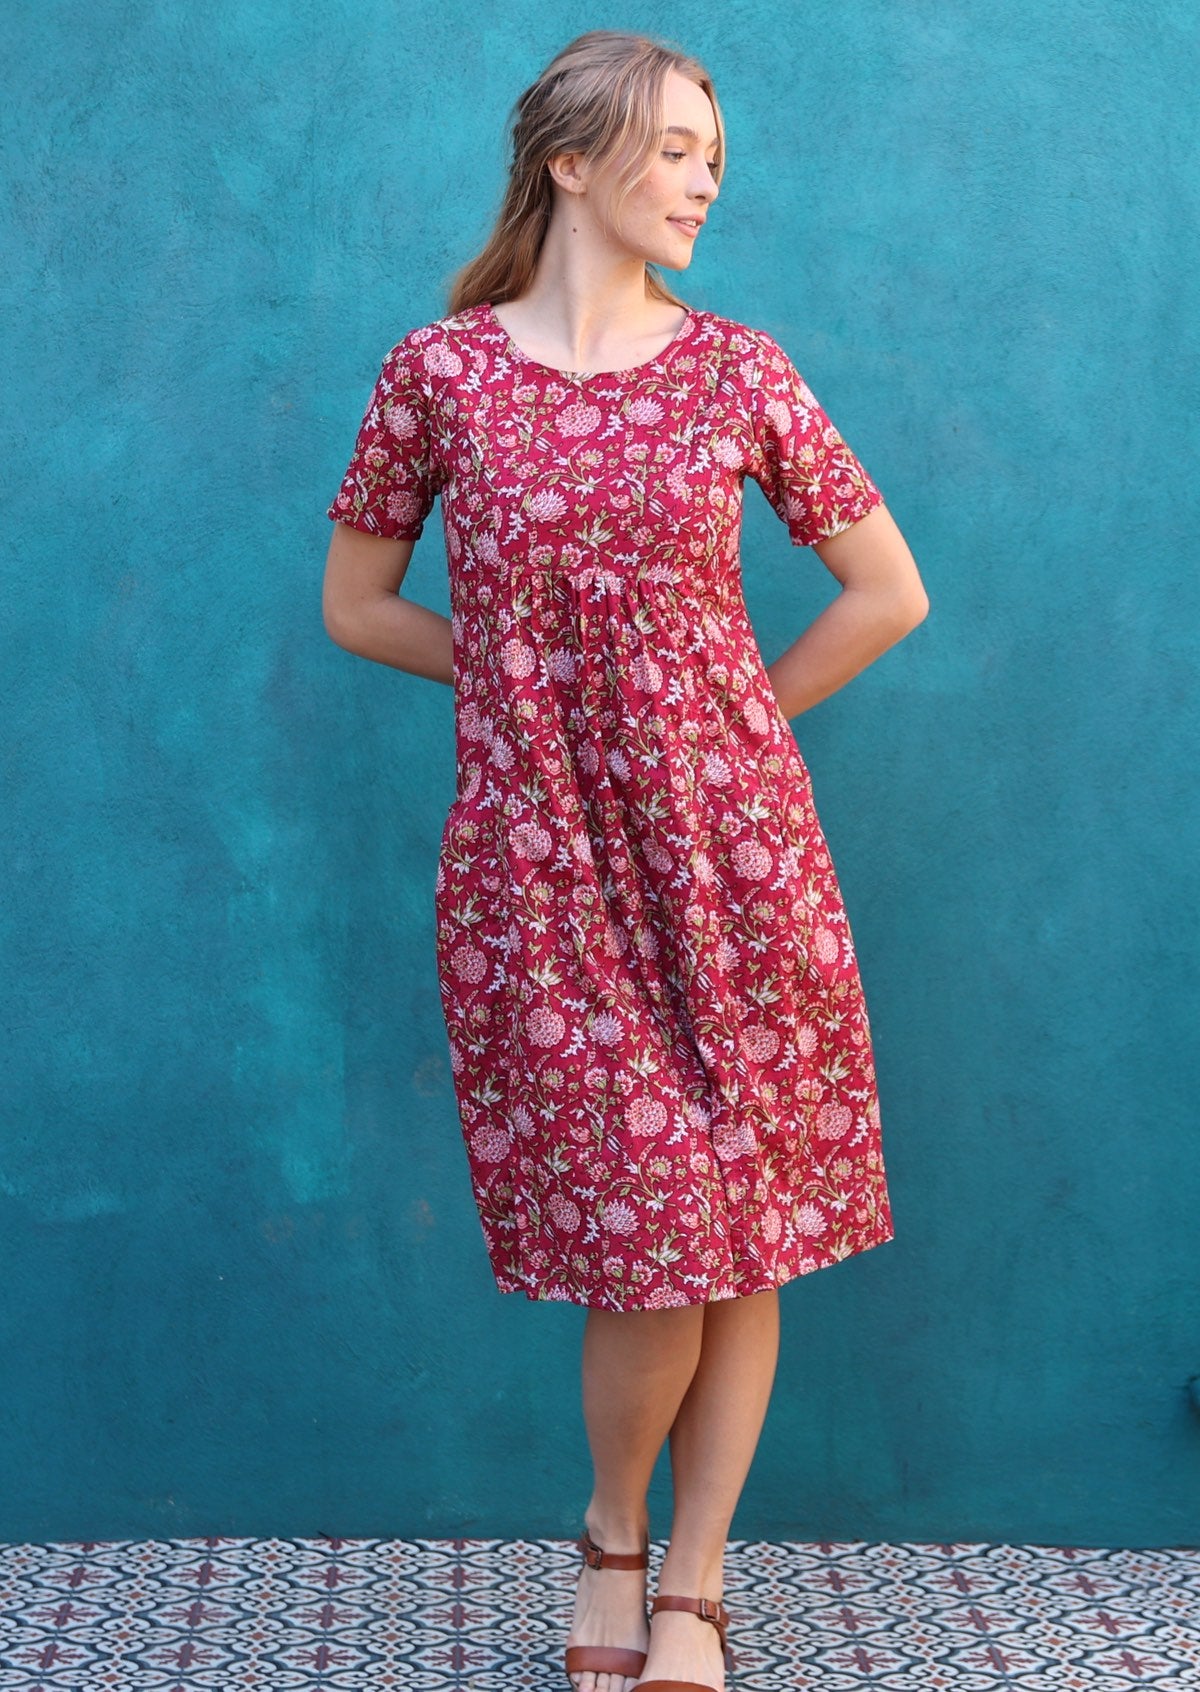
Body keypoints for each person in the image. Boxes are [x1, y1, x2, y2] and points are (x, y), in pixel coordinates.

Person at [322, 28, 928, 1692]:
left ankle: (693, 1580)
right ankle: (609, 1527)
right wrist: (534, 685)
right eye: (672, 150)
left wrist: (729, 721)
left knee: (745, 1224)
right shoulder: (437, 373)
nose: (704, 180)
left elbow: (890, 592)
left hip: (737, 855)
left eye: (712, 156)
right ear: (571, 163)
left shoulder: (740, 369)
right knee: (653, 1225)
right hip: (541, 862)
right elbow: (355, 606)